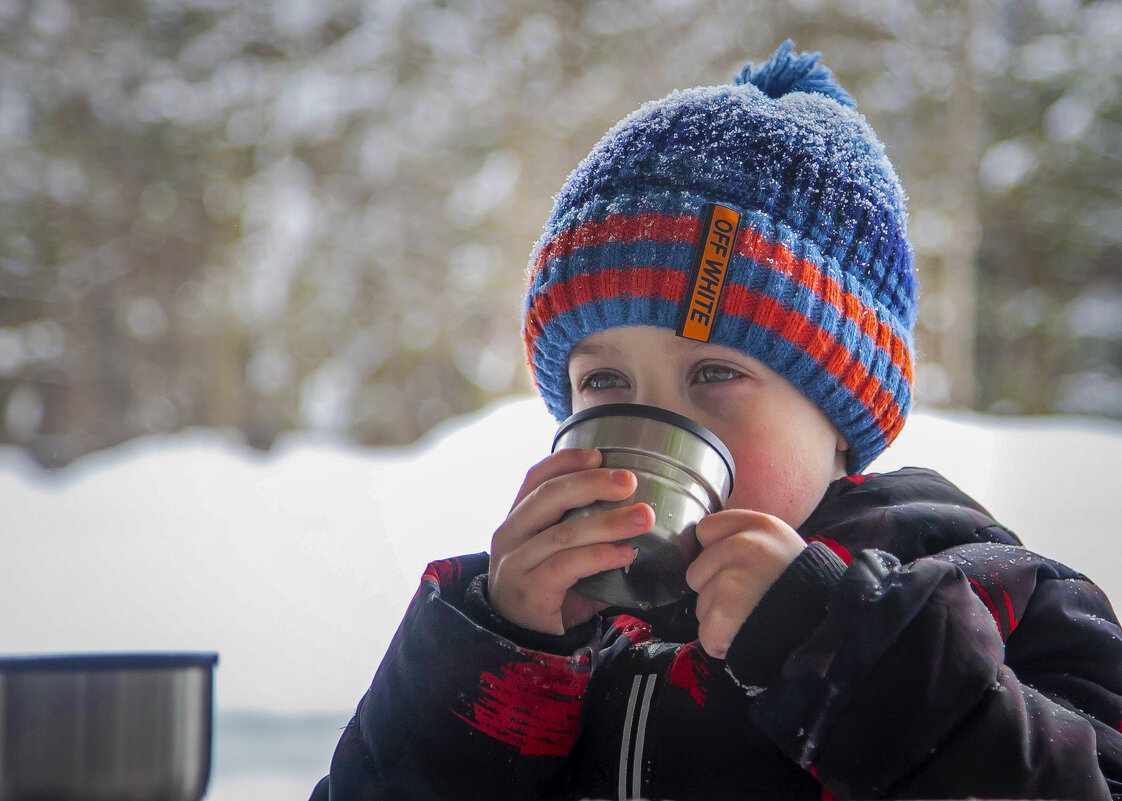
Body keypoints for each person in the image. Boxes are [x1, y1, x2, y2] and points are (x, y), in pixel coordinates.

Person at [313, 41, 1122, 800]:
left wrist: (837, 642)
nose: (654, 418)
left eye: (715, 372)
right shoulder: (554, 625)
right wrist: (493, 652)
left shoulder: (983, 591)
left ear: (840, 411)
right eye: (604, 379)